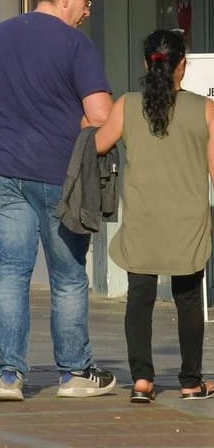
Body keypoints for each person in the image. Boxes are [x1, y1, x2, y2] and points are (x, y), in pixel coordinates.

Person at [0, 0, 115, 402]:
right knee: (68, 275)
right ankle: (74, 372)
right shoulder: (76, 47)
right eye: (86, 2)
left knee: (10, 272)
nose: (87, 11)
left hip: (2, 170)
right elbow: (102, 116)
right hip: (60, 175)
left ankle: (8, 375)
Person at [92, 29, 214, 403]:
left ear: (146, 63)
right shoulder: (206, 109)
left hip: (142, 217)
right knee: (189, 299)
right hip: (188, 221)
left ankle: (142, 382)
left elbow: (97, 145)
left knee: (139, 298)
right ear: (183, 65)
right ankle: (191, 382)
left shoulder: (127, 105)